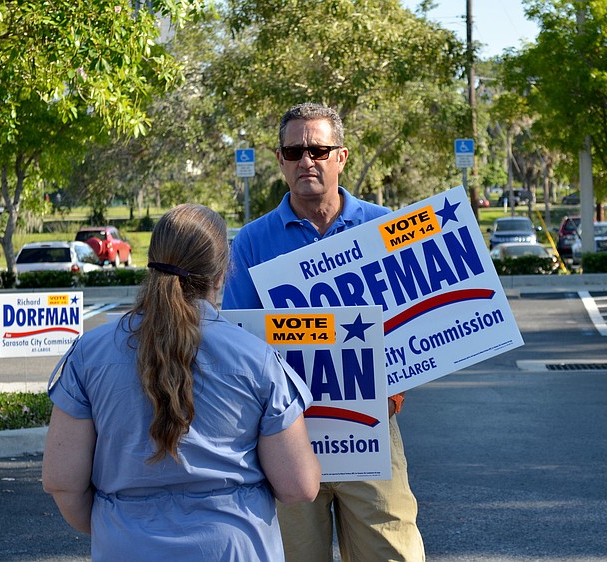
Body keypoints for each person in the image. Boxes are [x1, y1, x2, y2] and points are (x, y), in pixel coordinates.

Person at [42, 204, 321, 561]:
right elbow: (299, 485)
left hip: (125, 546)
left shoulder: (88, 354)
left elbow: (62, 480)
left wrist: (122, 529)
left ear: (151, 264)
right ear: (221, 275)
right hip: (232, 548)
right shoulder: (258, 358)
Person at [222, 102, 425, 562]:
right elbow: (240, 342)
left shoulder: (385, 228)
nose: (305, 161)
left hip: (369, 428)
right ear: (280, 160)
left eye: (317, 149)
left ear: (342, 157)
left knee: (393, 553)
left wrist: (399, 384)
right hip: (283, 439)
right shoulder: (252, 242)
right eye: (294, 151)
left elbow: (417, 325)